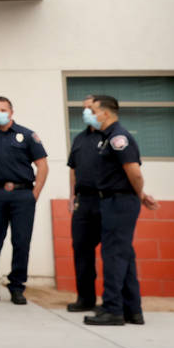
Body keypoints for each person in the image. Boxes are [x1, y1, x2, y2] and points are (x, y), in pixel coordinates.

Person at [83, 95, 161, 326]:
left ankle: (113, 309)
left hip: (119, 202)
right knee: (124, 256)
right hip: (114, 201)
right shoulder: (107, 138)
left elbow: (134, 172)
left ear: (106, 113)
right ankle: (132, 310)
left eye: (93, 111)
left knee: (114, 256)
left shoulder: (118, 138)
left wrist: (140, 194)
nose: (90, 115)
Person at [0, 96, 48, 304]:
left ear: (11, 112)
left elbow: (42, 165)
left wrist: (35, 194)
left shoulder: (27, 135)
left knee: (21, 241)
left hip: (23, 195)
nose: (0, 113)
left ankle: (17, 287)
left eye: (3, 109)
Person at [65, 95, 103, 312]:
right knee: (81, 250)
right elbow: (73, 168)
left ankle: (115, 302)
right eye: (84, 108)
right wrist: (72, 195)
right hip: (83, 201)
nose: (86, 112)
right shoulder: (79, 139)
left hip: (105, 200)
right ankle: (85, 299)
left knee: (113, 252)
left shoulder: (110, 136)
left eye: (90, 108)